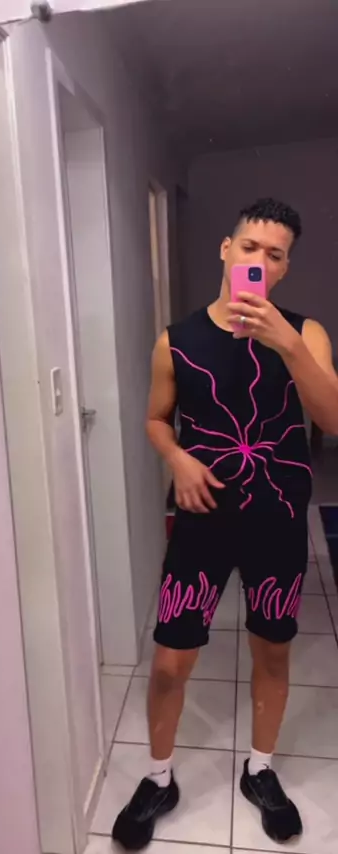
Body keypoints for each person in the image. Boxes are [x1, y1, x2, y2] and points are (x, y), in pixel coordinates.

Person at [112, 198, 338, 850]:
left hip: (278, 520)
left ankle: (259, 770)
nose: (259, 260)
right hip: (201, 519)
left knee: (273, 650)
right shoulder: (176, 341)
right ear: (226, 249)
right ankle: (159, 778)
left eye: (274, 254)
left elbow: (332, 421)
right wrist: (177, 458)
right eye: (249, 247)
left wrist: (286, 343)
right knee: (169, 662)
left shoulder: (306, 333)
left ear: (285, 267)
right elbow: (156, 419)